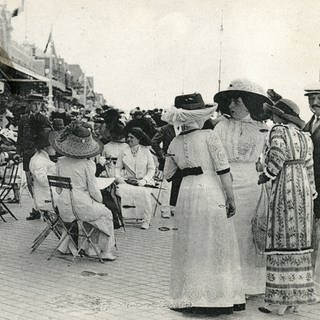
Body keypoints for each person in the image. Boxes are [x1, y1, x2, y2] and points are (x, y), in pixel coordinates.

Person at [163, 93, 245, 315]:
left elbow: (168, 174)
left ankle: (191, 296)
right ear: (200, 116)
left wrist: (183, 163)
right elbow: (223, 170)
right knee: (213, 241)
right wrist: (230, 198)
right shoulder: (210, 136)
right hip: (210, 191)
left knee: (191, 244)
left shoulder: (174, 141)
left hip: (186, 194)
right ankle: (217, 297)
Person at [258, 99, 316, 315]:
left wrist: (266, 174)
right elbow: (309, 165)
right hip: (303, 189)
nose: (272, 118)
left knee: (281, 238)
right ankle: (295, 300)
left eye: (273, 114)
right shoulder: (305, 135)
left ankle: (278, 301)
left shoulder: (278, 131)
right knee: (299, 242)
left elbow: (277, 155)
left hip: (286, 185)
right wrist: (311, 189)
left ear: (279, 116)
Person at [213, 79, 271, 296]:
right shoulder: (220, 126)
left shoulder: (263, 129)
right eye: (230, 101)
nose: (231, 106)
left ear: (249, 102)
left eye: (236, 101)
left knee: (249, 234)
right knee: (227, 233)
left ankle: (249, 285)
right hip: (226, 181)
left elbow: (268, 158)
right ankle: (227, 284)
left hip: (253, 184)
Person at [50, 121, 116, 261]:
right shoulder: (88, 164)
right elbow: (94, 192)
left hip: (64, 208)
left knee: (92, 212)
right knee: (106, 213)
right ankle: (105, 251)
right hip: (80, 207)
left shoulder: (60, 161)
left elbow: (58, 189)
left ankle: (87, 247)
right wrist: (100, 201)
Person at [16, 95, 51, 220]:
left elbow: (49, 137)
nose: (37, 106)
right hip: (27, 154)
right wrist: (18, 151)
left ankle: (41, 208)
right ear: (29, 105)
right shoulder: (23, 119)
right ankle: (36, 207)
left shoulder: (44, 119)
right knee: (30, 183)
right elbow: (19, 137)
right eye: (34, 104)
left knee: (40, 181)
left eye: (39, 104)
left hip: (39, 155)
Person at [115, 127, 156, 230]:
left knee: (144, 193)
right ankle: (124, 216)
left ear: (138, 139)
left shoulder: (146, 151)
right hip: (128, 180)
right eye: (127, 137)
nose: (128, 139)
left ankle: (146, 220)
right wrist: (119, 178)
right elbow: (117, 167)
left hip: (144, 180)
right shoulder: (123, 151)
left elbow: (151, 169)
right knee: (120, 190)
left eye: (131, 137)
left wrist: (144, 180)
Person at [304, 82, 320, 299]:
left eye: (318, 97)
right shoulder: (311, 123)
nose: (315, 102)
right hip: (312, 187)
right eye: (311, 98)